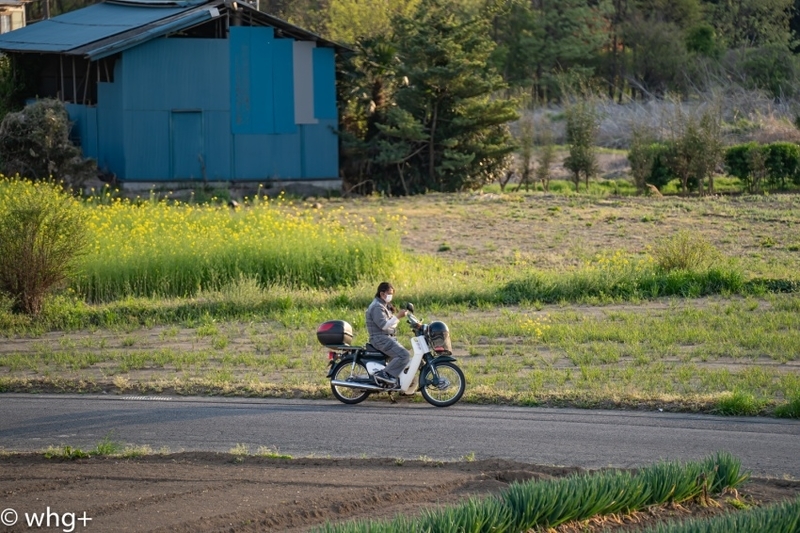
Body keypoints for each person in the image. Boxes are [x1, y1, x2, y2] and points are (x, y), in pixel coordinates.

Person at [365, 282, 410, 388]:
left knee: (402, 355)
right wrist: (398, 316)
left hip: (386, 337)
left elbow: (391, 324)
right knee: (404, 355)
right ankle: (384, 374)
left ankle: (394, 380)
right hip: (380, 339)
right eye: (389, 293)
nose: (391, 296)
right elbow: (384, 325)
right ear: (382, 294)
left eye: (392, 294)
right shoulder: (377, 306)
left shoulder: (383, 305)